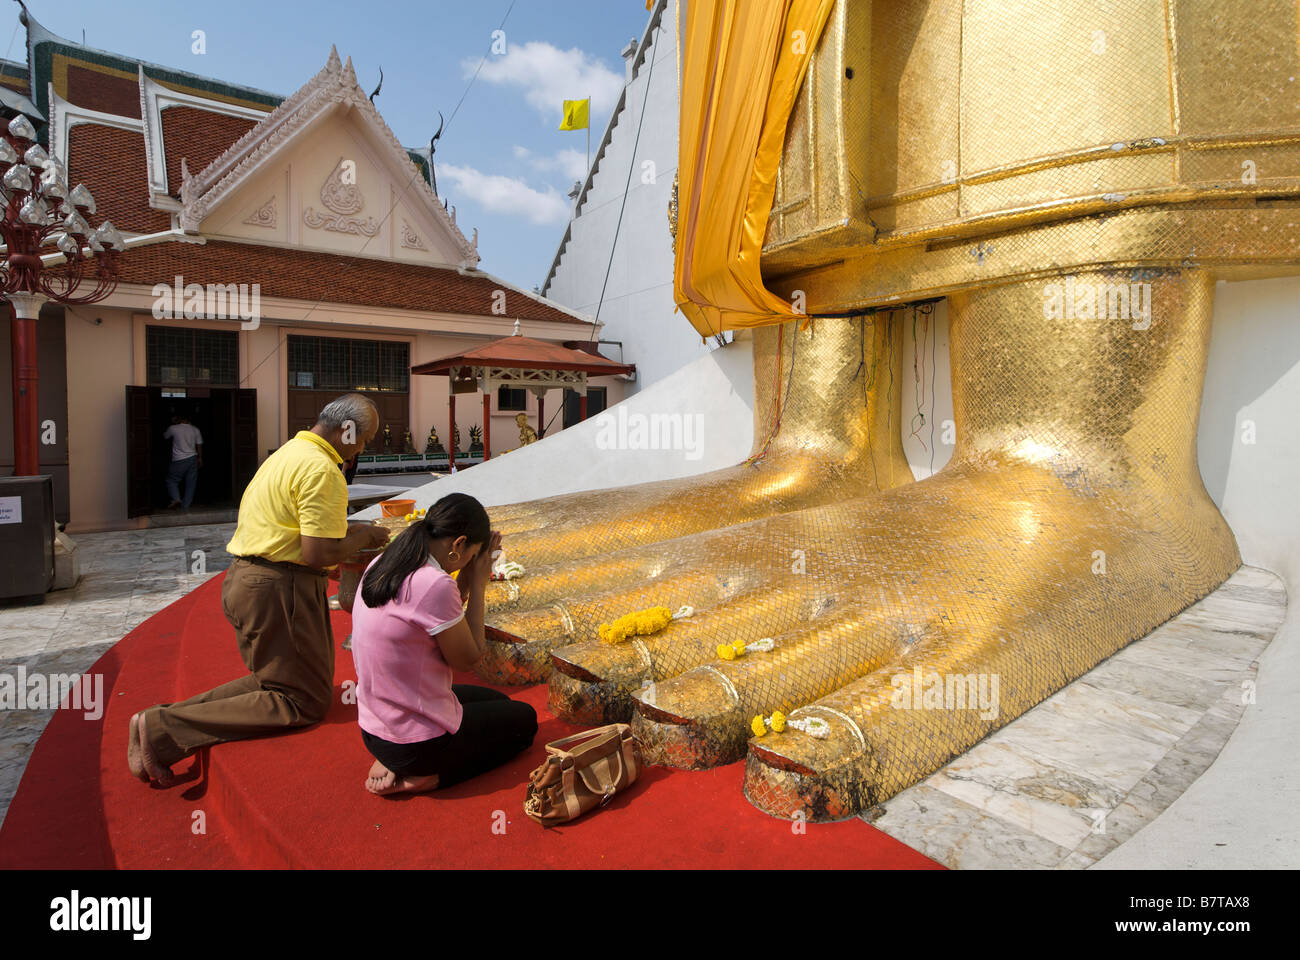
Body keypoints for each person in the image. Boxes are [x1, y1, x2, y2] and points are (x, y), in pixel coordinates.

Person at [127, 394, 391, 786]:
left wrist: (348, 534)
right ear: (346, 429)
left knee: (279, 684)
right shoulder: (322, 469)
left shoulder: (290, 452)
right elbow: (317, 552)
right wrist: (364, 536)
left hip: (254, 579)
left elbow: (295, 527)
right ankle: (165, 729)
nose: (363, 447)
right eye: (364, 438)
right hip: (279, 588)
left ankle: (157, 722)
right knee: (300, 701)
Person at [350, 493, 537, 796]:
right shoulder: (434, 583)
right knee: (525, 722)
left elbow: (437, 617)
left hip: (375, 727)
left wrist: (465, 575)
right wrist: (478, 584)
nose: (471, 562)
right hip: (416, 745)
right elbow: (469, 659)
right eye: (472, 553)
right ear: (458, 544)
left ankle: (392, 759)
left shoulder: (384, 562)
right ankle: (427, 776)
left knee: (497, 702)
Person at [163, 413, 203, 509]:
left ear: (178, 418)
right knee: (191, 483)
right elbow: (199, 444)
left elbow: (165, 436)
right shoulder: (195, 429)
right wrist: (200, 458)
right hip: (193, 458)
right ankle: (186, 505)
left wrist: (172, 423)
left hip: (179, 459)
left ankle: (176, 498)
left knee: (171, 480)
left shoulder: (173, 428)